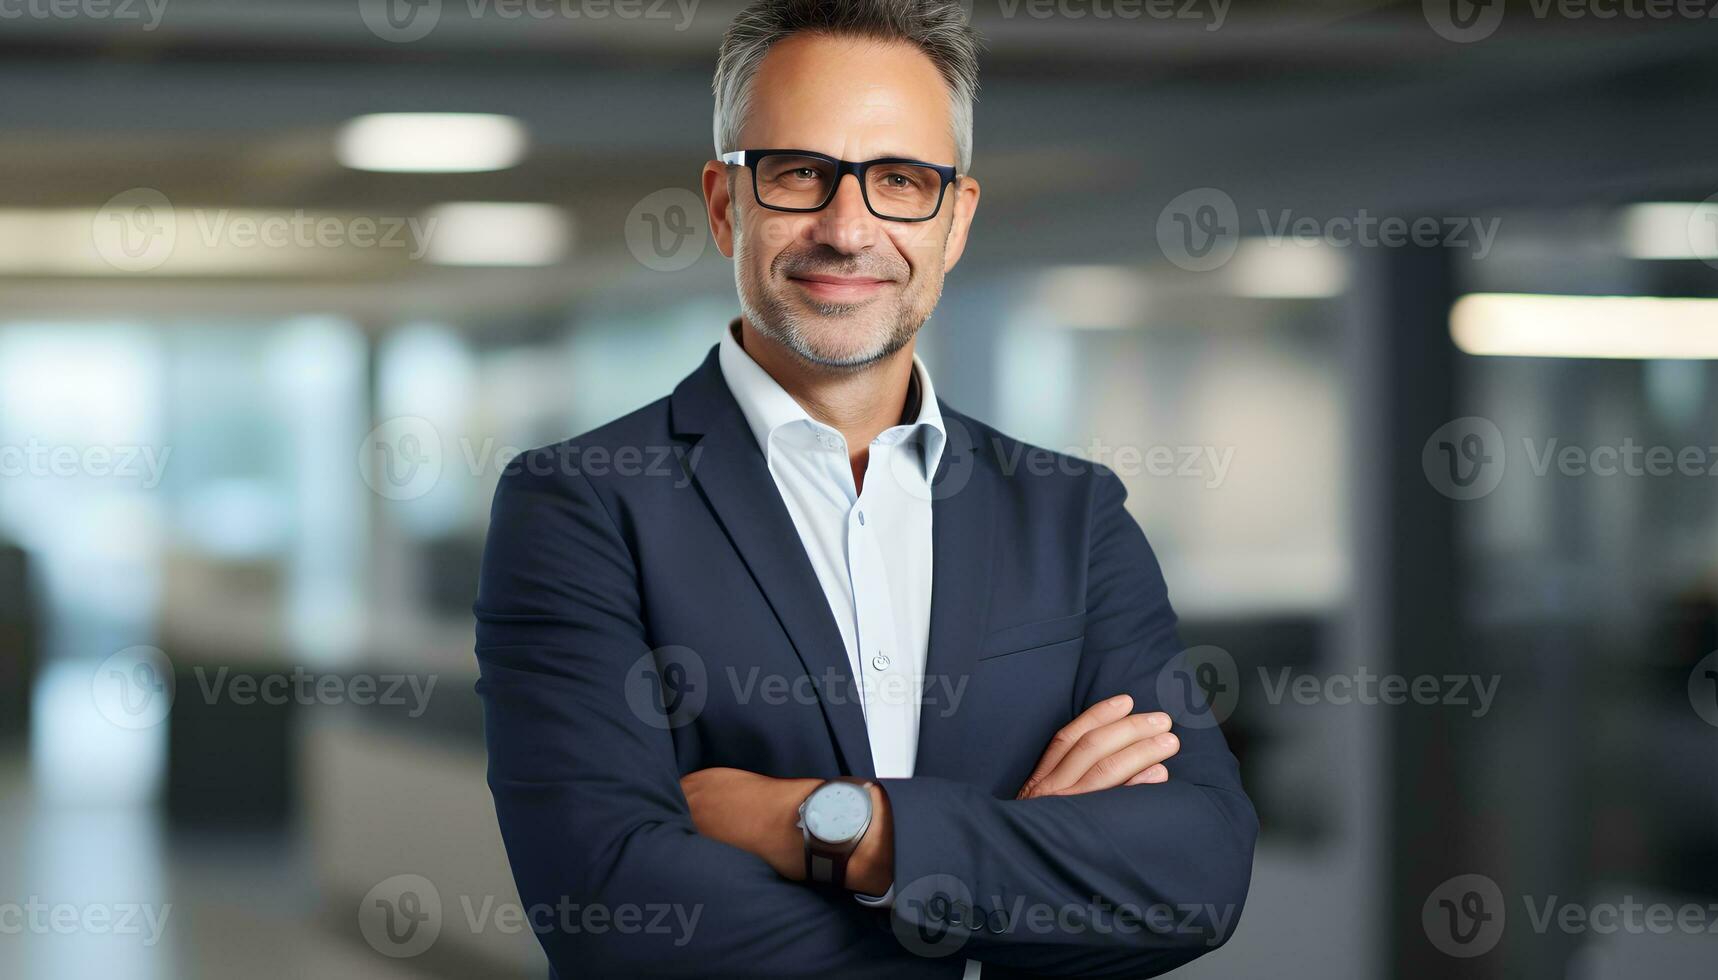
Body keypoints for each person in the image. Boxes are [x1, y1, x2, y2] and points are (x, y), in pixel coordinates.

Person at [474, 2, 1256, 976]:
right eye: (801, 173)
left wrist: (840, 827)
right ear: (725, 204)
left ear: (955, 217)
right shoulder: (584, 505)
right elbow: (615, 912)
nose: (849, 229)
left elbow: (1195, 875)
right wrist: (1006, 887)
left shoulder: (1071, 515)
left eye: (900, 180)